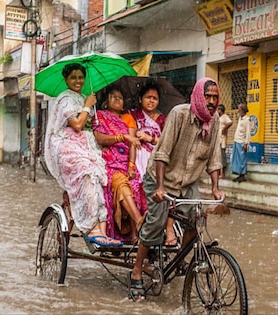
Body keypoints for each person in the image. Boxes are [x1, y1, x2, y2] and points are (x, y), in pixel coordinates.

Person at [128, 77, 224, 301]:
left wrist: (216, 188)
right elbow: (163, 152)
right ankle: (137, 270)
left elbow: (214, 158)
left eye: (214, 97)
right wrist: (160, 187)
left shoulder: (215, 120)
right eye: (207, 96)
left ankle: (179, 261)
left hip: (188, 180)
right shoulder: (179, 114)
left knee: (196, 219)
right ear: (198, 96)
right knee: (156, 223)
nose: (210, 101)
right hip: (160, 177)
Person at [43, 63, 122, 247]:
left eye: (80, 77)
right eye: (73, 77)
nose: (77, 81)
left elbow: (89, 126)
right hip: (68, 149)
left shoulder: (84, 97)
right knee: (88, 174)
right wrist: (87, 106)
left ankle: (102, 230)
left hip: (86, 146)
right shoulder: (65, 100)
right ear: (66, 80)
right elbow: (77, 125)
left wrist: (89, 106)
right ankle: (91, 228)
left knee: (102, 178)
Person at [128, 79, 180, 246]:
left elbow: (169, 143)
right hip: (135, 157)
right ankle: (136, 231)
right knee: (134, 187)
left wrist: (150, 138)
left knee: (171, 190)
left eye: (154, 98)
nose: (151, 101)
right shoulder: (132, 115)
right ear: (140, 99)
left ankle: (168, 228)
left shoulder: (164, 120)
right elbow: (129, 136)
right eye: (148, 97)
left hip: (157, 159)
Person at [93, 84, 147, 242]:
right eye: (113, 96)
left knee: (135, 185)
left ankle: (135, 235)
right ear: (106, 101)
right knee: (120, 183)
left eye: (120, 97)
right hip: (108, 163)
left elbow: (133, 143)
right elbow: (99, 138)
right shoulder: (100, 116)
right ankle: (138, 222)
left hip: (126, 163)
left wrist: (131, 165)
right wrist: (120, 137)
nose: (117, 99)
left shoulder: (128, 118)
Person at [231, 104, 251, 183]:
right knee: (237, 160)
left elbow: (248, 132)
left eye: (239, 109)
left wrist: (246, 143)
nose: (238, 110)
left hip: (242, 142)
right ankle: (239, 174)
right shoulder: (240, 118)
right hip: (237, 140)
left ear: (242, 110)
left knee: (242, 159)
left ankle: (242, 175)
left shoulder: (247, 120)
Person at [217, 104, 233, 179]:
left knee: (222, 156)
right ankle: (219, 173)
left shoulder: (225, 117)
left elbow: (230, 122)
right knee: (218, 157)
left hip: (222, 139)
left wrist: (224, 129)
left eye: (218, 109)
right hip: (218, 139)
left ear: (221, 110)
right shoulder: (218, 117)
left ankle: (222, 173)